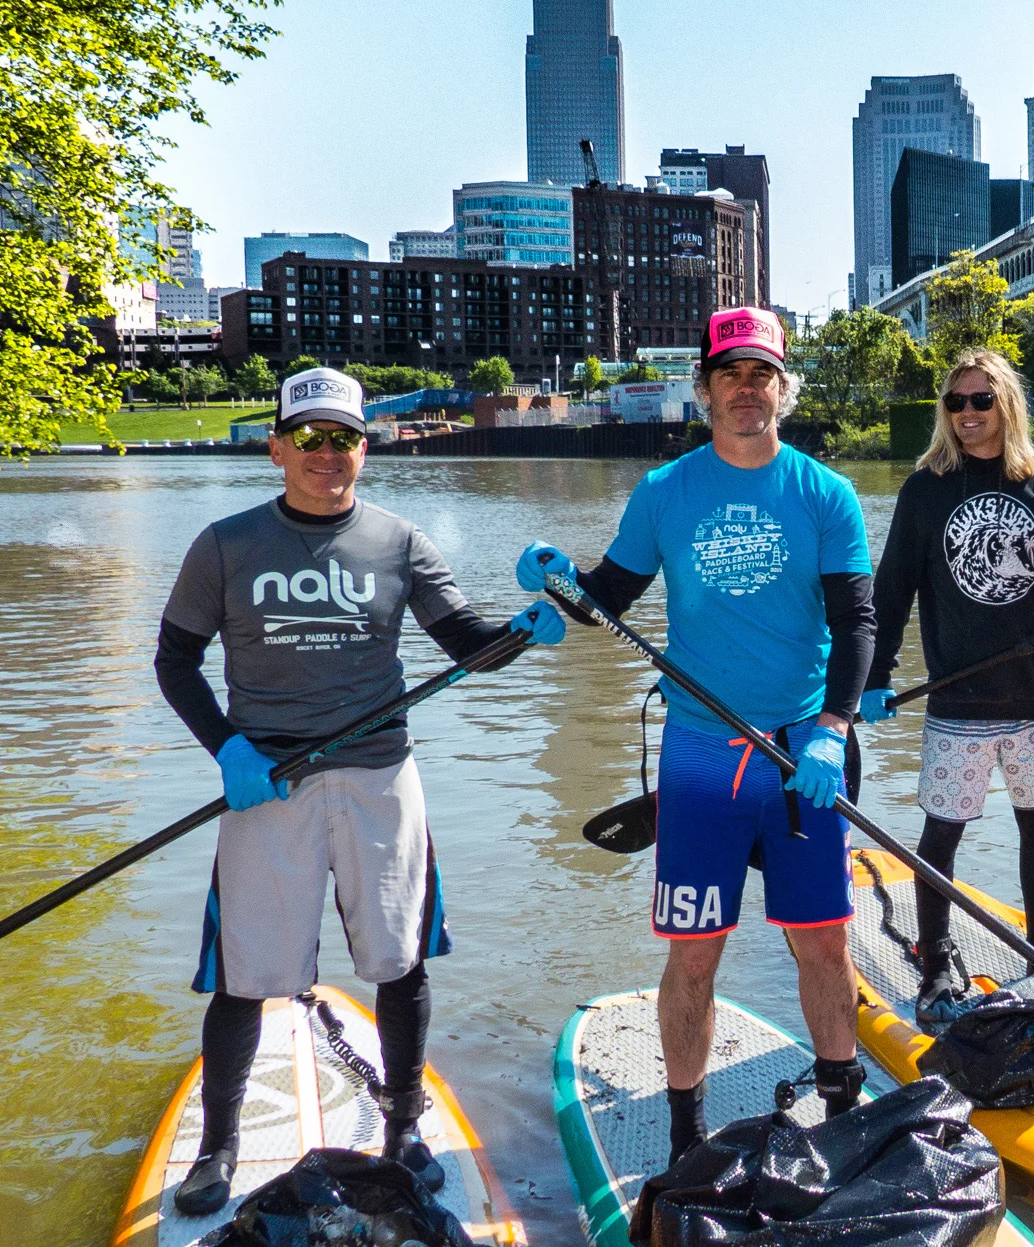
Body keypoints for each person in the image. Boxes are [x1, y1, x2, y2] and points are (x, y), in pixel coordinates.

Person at [155, 367, 563, 1215]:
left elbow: (467, 644)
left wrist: (524, 629)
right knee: (243, 975)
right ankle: (217, 1148)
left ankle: (403, 1129)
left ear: (364, 449)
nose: (327, 453)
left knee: (399, 958)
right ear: (276, 448)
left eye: (343, 437)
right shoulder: (224, 545)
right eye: (309, 437)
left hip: (381, 776)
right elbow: (174, 660)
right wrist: (226, 747)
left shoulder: (401, 541)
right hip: (266, 783)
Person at [515, 307, 874, 1168]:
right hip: (702, 752)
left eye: (762, 375)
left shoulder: (826, 492)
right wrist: (562, 586)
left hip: (801, 753)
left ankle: (844, 1112)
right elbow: (610, 597)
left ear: (783, 389)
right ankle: (686, 1132)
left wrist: (834, 727)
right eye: (730, 375)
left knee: (824, 939)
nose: (747, 390)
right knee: (695, 951)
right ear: (704, 389)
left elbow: (856, 621)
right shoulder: (664, 492)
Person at [859, 350, 1034, 1019]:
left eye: (981, 400)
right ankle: (934, 961)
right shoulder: (925, 489)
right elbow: (892, 589)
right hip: (957, 703)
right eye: (956, 402)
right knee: (940, 835)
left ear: (1006, 405)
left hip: (1031, 701)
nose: (967, 414)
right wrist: (877, 677)